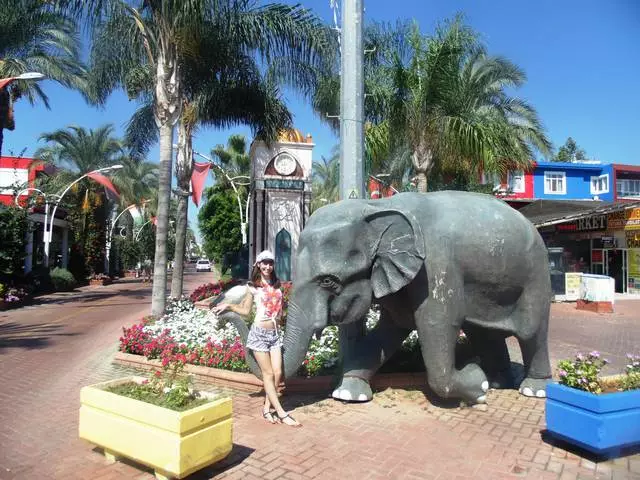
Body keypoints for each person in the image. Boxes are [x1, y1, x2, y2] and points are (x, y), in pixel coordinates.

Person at [212, 250, 301, 427]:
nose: (268, 266)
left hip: (274, 334)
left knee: (277, 373)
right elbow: (245, 311)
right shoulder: (253, 287)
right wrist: (229, 305)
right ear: (258, 265)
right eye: (264, 263)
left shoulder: (277, 285)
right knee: (268, 374)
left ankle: (267, 409)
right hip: (259, 334)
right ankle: (282, 413)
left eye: (270, 263)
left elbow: (281, 310)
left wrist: (281, 317)